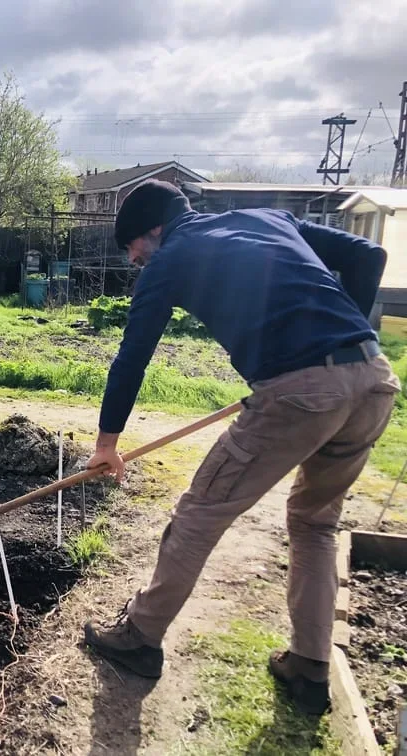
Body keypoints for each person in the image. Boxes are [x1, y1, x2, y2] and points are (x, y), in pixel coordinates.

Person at [81, 179, 401, 716]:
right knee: (316, 523)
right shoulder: (267, 220)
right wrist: (342, 339)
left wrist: (107, 443)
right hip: (373, 378)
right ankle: (309, 666)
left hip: (299, 393)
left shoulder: (172, 256)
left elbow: (133, 353)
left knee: (200, 512)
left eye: (133, 248)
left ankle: (140, 635)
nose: (134, 260)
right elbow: (369, 254)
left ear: (154, 229)